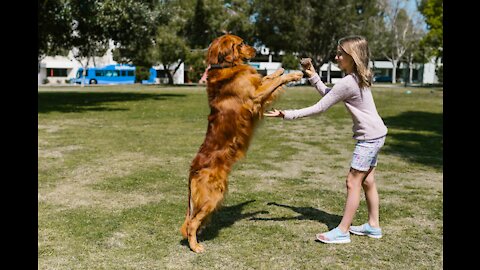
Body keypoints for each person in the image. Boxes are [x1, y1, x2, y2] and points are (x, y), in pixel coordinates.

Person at [264, 35, 388, 244]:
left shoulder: (349, 81)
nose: (336, 57)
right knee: (367, 181)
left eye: (341, 54)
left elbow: (320, 106)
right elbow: (329, 94)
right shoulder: (358, 77)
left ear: (353, 57)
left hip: (368, 139)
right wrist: (313, 76)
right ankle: (373, 226)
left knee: (352, 181)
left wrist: (287, 114)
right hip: (377, 134)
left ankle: (342, 231)